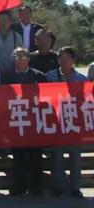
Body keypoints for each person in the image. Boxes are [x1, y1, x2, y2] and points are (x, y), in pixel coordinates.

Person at [1, 48, 45, 196]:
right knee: (18, 156)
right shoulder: (6, 76)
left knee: (35, 155)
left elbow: (46, 97)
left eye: (23, 56)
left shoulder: (38, 76)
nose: (20, 59)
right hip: (16, 119)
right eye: (17, 56)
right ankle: (19, 185)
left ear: (28, 59)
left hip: (34, 120)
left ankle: (36, 186)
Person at [46, 46, 86, 198]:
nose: (64, 61)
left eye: (68, 58)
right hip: (57, 122)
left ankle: (75, 186)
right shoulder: (50, 76)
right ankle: (59, 185)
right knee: (57, 157)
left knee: (75, 157)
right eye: (61, 58)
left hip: (75, 123)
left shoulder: (81, 79)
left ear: (73, 60)